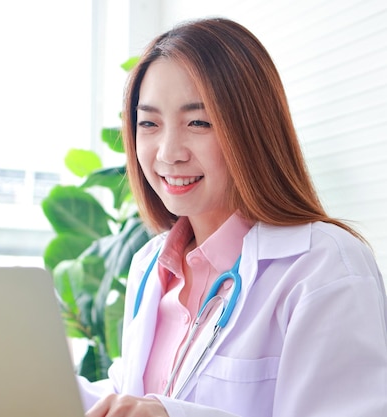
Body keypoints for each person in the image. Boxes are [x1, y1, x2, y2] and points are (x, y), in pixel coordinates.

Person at [77, 17, 387, 417]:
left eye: (199, 122)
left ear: (251, 128)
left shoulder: (324, 267)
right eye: (149, 123)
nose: (169, 152)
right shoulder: (150, 265)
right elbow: (128, 396)